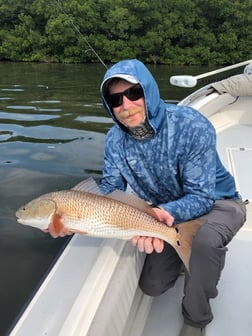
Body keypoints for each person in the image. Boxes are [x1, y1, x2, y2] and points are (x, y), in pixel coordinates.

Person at [48, 59, 246, 336]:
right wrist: (74, 217)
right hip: (160, 215)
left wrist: (162, 213)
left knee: (204, 242)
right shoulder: (115, 140)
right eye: (115, 99)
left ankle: (195, 319)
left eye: (133, 93)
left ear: (148, 91)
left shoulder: (190, 125)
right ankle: (182, 252)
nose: (126, 105)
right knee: (152, 286)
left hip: (218, 203)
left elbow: (201, 197)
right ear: (109, 106)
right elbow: (110, 190)